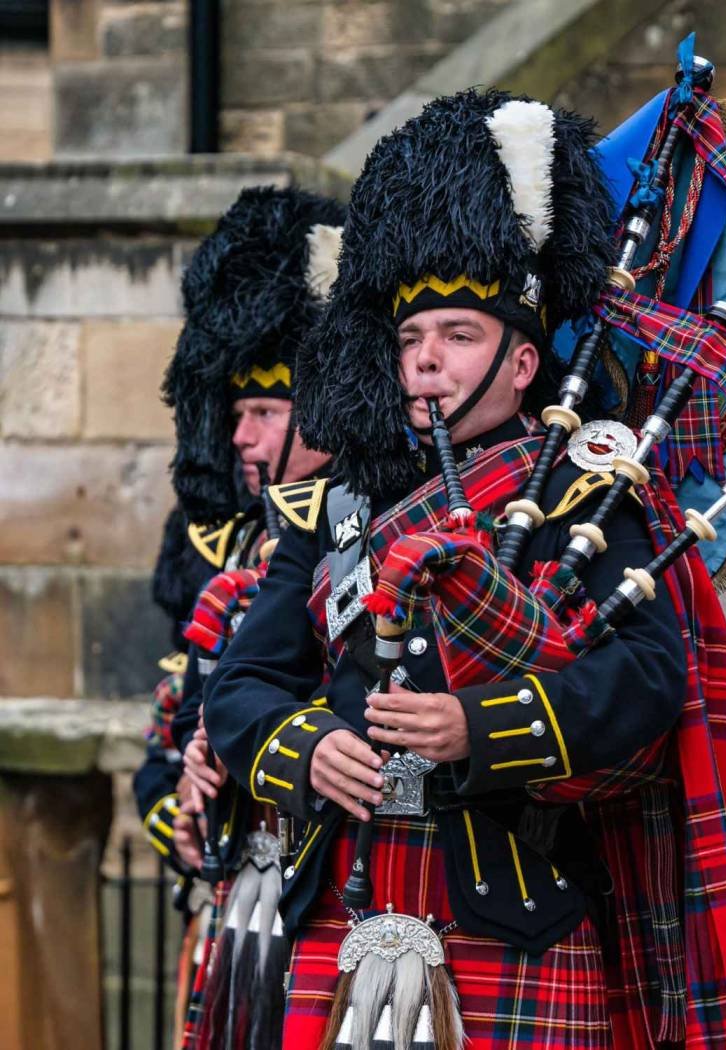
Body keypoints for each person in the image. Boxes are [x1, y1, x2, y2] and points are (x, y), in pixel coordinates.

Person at [203, 88, 726, 1048]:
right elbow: (241, 689)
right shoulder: (333, 506)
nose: (428, 361)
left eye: (458, 337)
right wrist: (306, 746)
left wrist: (470, 727)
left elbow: (644, 684)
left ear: (523, 365)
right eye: (411, 340)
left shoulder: (583, 495)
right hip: (335, 921)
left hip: (515, 924)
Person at [129, 186, 343, 1049]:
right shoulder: (220, 567)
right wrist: (185, 822)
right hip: (231, 907)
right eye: (235, 415)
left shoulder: (359, 537)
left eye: (264, 412)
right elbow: (162, 752)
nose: (242, 439)